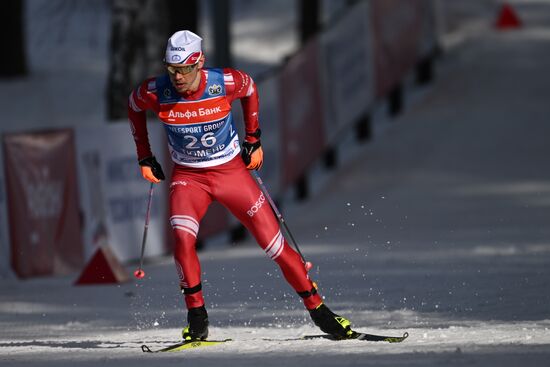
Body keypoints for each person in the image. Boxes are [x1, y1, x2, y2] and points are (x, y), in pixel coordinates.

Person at [127, 30, 354, 340]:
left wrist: (253, 138)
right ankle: (197, 317)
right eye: (172, 69)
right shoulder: (156, 91)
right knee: (182, 239)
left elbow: (249, 88)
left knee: (274, 246)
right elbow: (134, 106)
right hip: (189, 177)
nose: (178, 77)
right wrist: (144, 157)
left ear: (200, 63)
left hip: (231, 173)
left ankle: (320, 311)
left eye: (185, 69)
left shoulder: (224, 82)